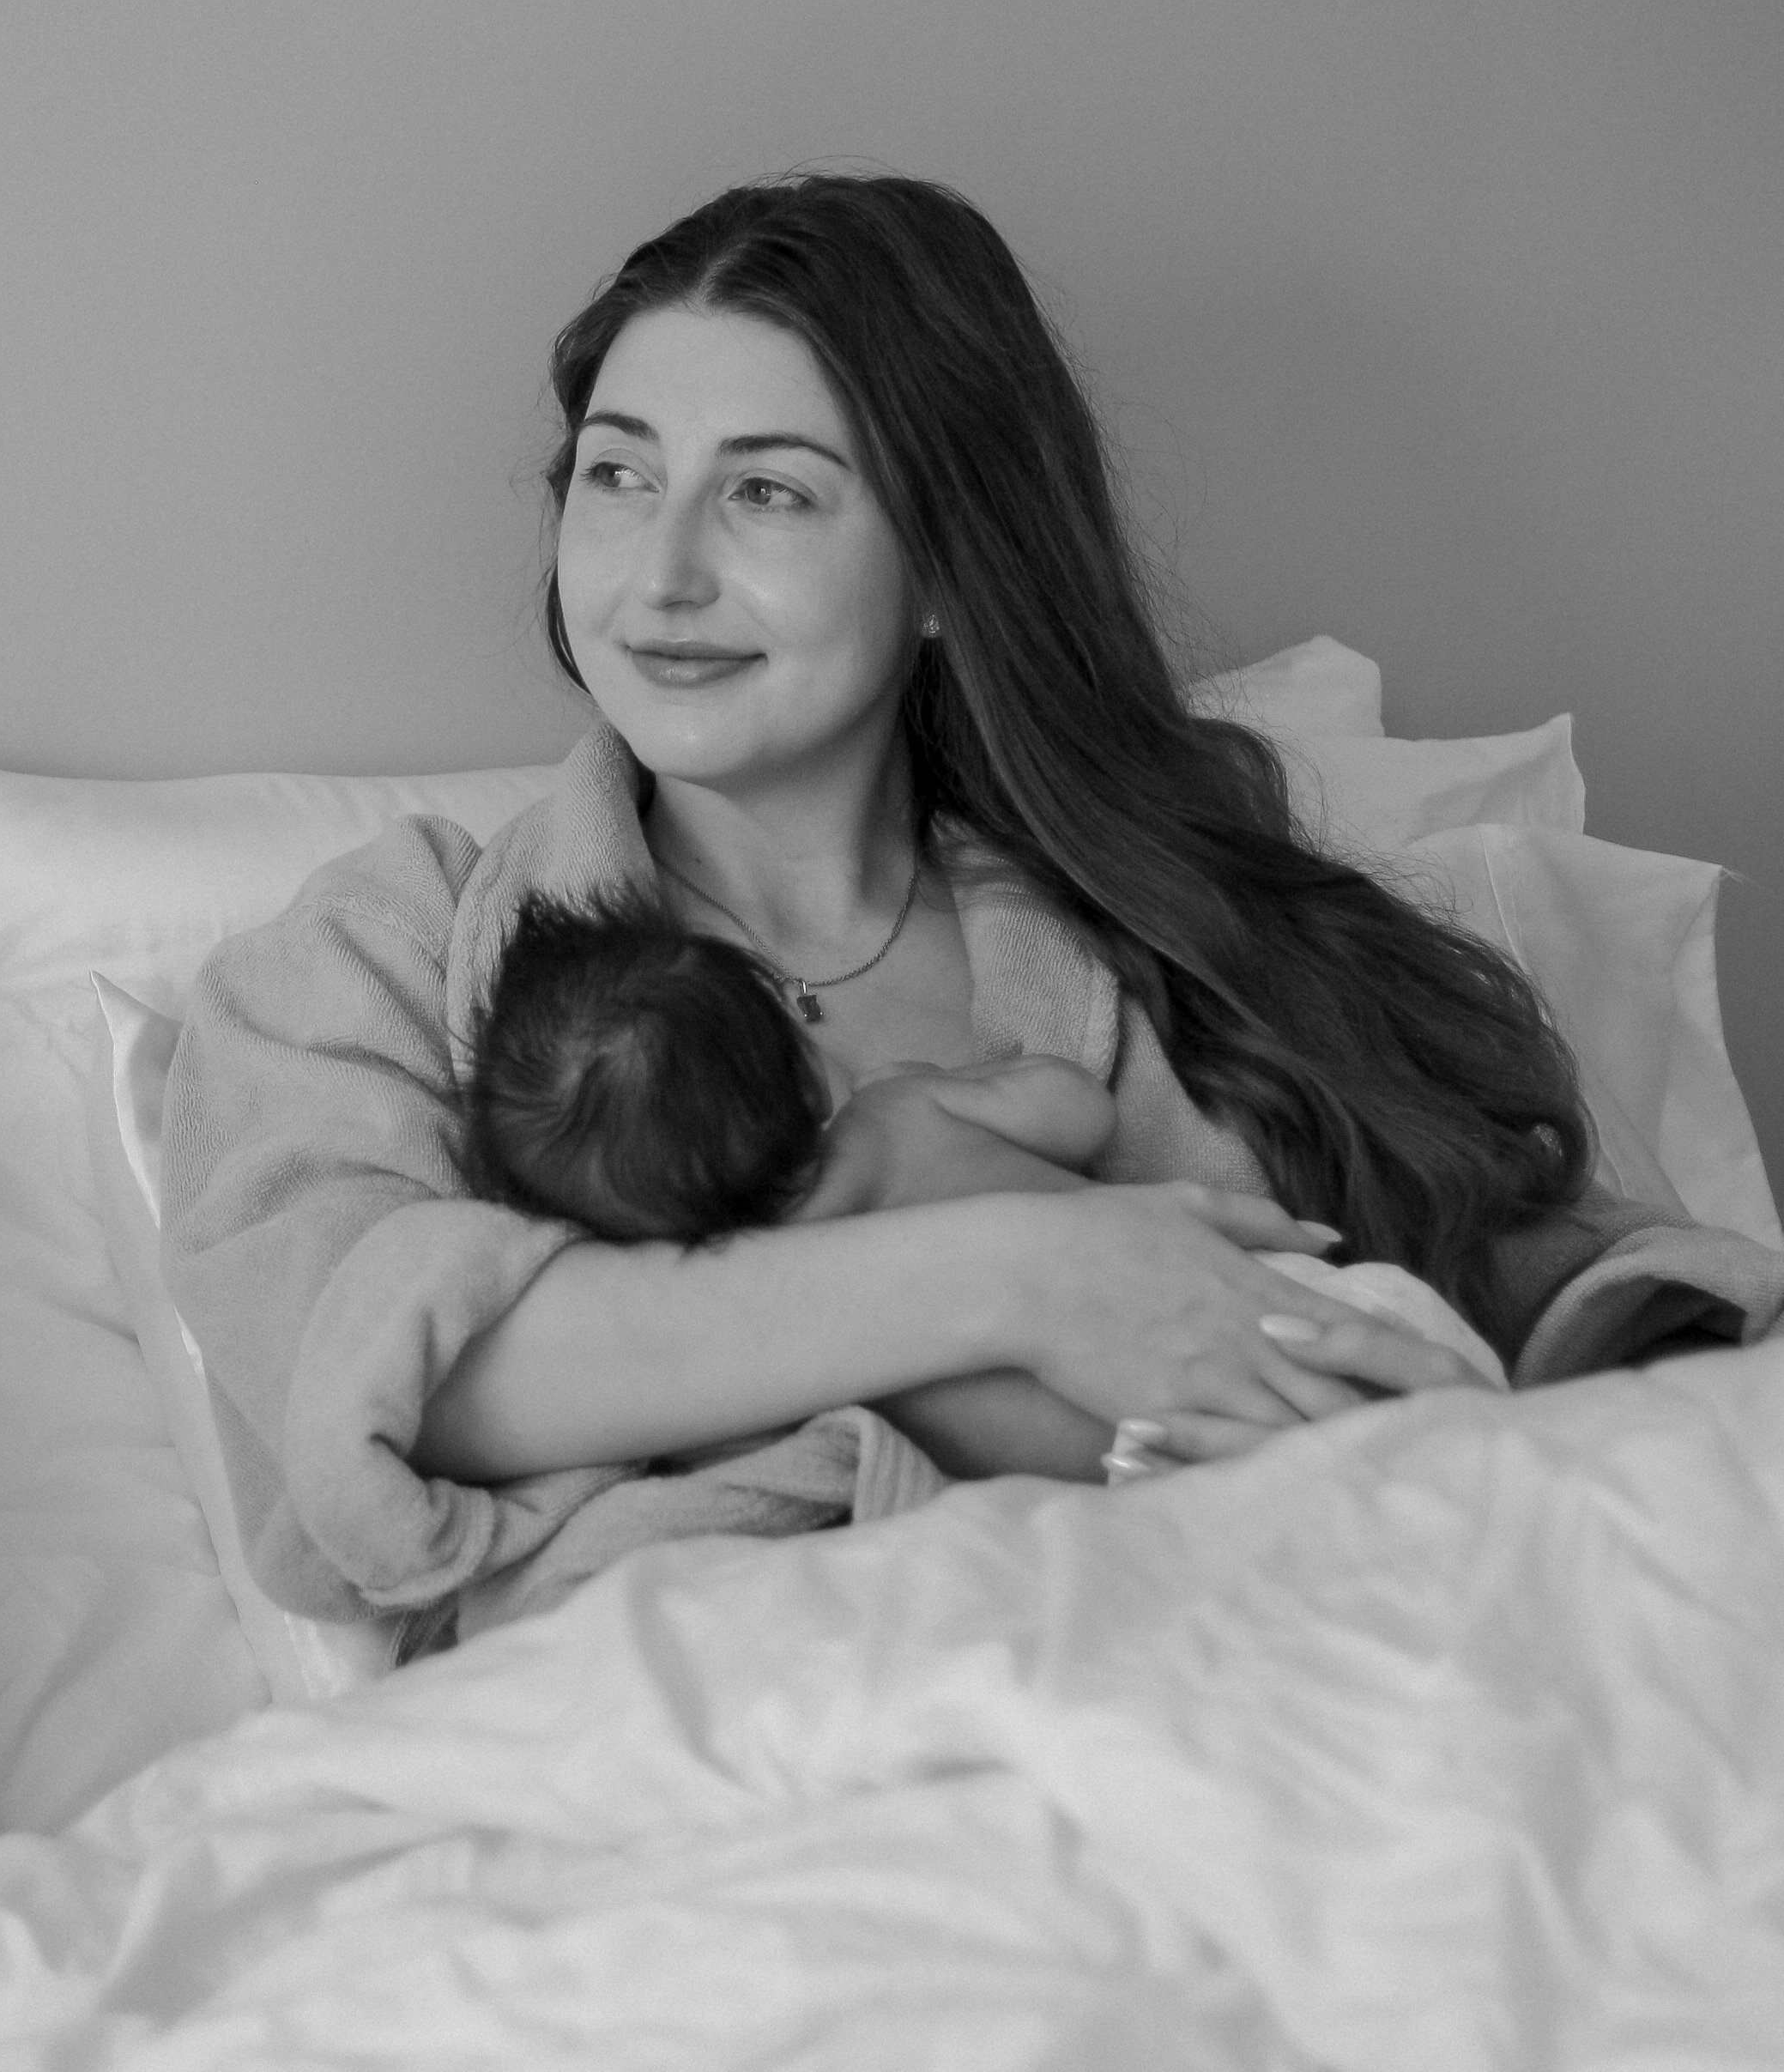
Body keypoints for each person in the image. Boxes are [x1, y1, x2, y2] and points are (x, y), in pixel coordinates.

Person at [160, 172, 1784, 1638]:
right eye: (614, 475)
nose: (656, 573)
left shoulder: (1175, 912)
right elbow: (379, 1385)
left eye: (768, 492)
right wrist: (1029, 1275)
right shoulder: (380, 957)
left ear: (943, 567)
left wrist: (1526, 1405)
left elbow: (1575, 1283)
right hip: (729, 1769)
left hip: (1282, 1680)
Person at [464, 885, 1509, 1393]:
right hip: (1291, 1315)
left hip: (1119, 1482)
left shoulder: (750, 1310)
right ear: (803, 1062)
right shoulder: (899, 1110)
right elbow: (1078, 1112)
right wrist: (955, 1077)